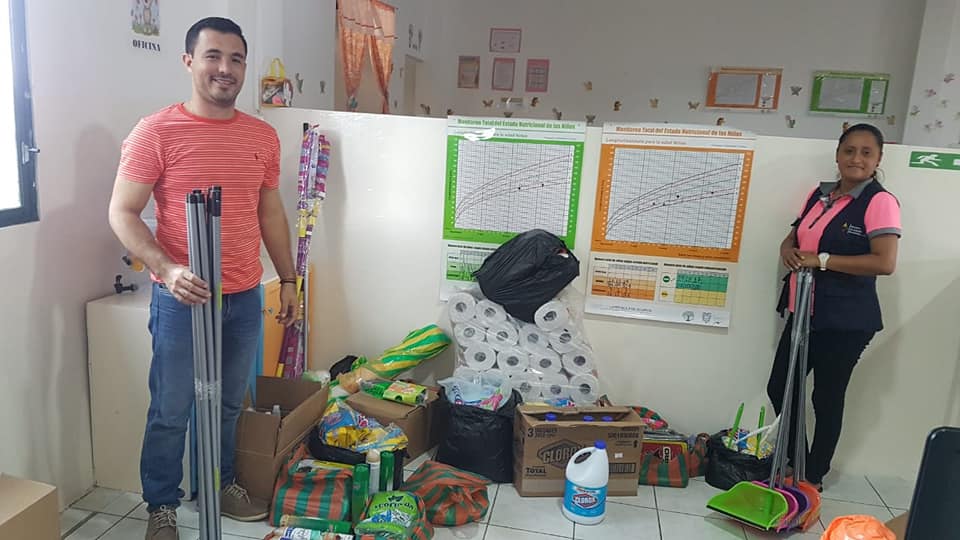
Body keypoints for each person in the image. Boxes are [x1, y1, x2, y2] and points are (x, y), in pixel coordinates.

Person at [108, 17, 298, 540]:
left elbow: (270, 213)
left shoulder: (261, 136)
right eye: (213, 56)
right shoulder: (156, 131)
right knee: (172, 408)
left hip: (243, 295)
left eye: (236, 59)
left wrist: (288, 279)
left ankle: (219, 483)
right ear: (189, 61)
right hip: (181, 298)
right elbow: (122, 212)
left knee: (229, 404)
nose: (225, 69)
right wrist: (166, 268)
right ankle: (161, 506)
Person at [767, 123, 901, 491]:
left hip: (845, 321)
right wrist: (787, 250)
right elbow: (795, 235)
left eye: (866, 152)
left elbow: (884, 262)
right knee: (781, 387)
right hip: (803, 312)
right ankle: (795, 460)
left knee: (825, 397)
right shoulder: (820, 193)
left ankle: (813, 475)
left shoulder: (879, 202)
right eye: (849, 150)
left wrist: (822, 260)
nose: (856, 159)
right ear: (838, 155)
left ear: (878, 159)